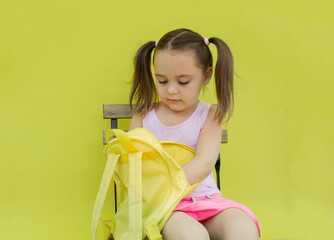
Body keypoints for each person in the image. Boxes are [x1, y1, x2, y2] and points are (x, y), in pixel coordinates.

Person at [128, 28, 261, 240]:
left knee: (242, 228)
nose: (171, 90)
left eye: (183, 82)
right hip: (165, 206)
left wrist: (167, 179)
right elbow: (134, 166)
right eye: (162, 81)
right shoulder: (144, 116)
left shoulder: (210, 115)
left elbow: (204, 163)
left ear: (206, 76)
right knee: (192, 235)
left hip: (206, 200)